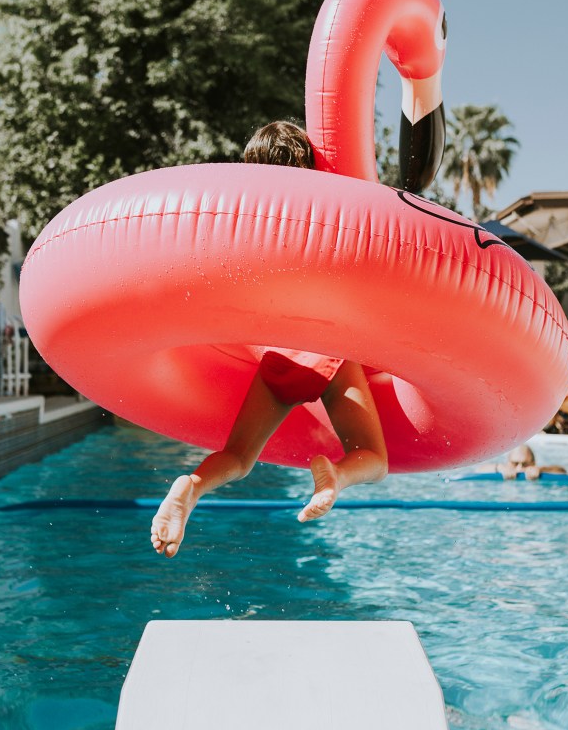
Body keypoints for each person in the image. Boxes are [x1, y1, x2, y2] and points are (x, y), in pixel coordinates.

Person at [149, 121, 389, 558]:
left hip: (280, 359)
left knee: (239, 457)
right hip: (329, 353)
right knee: (372, 454)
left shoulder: (247, 229)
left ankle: (191, 487)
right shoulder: (325, 216)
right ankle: (337, 476)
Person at [473, 444, 567, 480]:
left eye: (525, 464)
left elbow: (562, 471)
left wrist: (541, 469)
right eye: (515, 463)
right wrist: (500, 468)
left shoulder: (538, 471)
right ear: (508, 462)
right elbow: (478, 470)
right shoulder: (501, 469)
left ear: (533, 463)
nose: (520, 468)